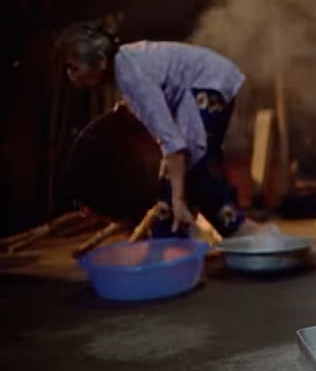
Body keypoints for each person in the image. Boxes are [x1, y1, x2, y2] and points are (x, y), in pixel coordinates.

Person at [55, 17, 259, 239]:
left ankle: (240, 234)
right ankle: (176, 237)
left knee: (192, 168)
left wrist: (179, 200)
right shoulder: (127, 65)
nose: (70, 75)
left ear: (102, 60)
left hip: (208, 83)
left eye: (74, 68)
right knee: (176, 179)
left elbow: (175, 145)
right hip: (202, 85)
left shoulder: (133, 77)